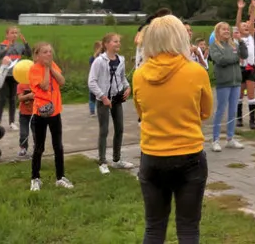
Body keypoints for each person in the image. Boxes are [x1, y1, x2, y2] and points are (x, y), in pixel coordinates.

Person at [133, 14, 213, 244]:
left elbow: (141, 113)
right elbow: (205, 112)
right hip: (189, 156)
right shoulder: (196, 72)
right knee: (188, 228)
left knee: (154, 227)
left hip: (152, 156)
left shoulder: (139, 76)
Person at [29, 42, 73, 191]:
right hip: (40, 113)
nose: (49, 54)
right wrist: (47, 68)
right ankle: (35, 178)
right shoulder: (34, 69)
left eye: (50, 51)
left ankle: (60, 177)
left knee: (58, 146)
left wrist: (51, 68)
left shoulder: (53, 65)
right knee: (39, 147)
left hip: (55, 112)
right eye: (45, 52)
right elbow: (45, 86)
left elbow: (62, 81)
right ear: (37, 55)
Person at [88, 33, 134, 174]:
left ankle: (117, 160)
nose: (118, 44)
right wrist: (102, 96)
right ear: (106, 44)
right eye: (115, 41)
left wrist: (127, 87)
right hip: (103, 100)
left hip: (117, 98)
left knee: (119, 128)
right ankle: (102, 161)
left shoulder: (121, 60)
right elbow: (91, 82)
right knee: (104, 130)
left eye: (119, 41)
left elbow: (122, 78)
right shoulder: (99, 61)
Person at [209, 22, 247, 152]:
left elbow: (244, 55)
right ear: (217, 32)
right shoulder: (214, 46)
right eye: (223, 29)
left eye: (228, 29)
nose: (226, 31)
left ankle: (230, 138)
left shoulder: (234, 44)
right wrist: (235, 58)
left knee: (233, 111)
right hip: (223, 83)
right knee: (220, 110)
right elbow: (220, 60)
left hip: (236, 82)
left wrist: (241, 42)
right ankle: (215, 140)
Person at [0, 26, 32, 130]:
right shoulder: (2, 45)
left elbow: (29, 54)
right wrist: (6, 48)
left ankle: (12, 122)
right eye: (12, 33)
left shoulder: (20, 46)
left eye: (16, 33)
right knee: (2, 99)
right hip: (4, 76)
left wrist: (26, 43)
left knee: (12, 99)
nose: (14, 35)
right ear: (7, 35)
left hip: (15, 75)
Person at [235, 0, 255, 129]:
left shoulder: (250, 36)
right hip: (240, 69)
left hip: (250, 68)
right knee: (239, 96)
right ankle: (239, 118)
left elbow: (251, 21)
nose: (245, 26)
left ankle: (252, 120)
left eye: (247, 25)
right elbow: (238, 22)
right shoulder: (238, 38)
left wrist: (253, 8)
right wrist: (240, 9)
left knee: (251, 95)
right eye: (243, 25)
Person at [17, 76, 35, 158]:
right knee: (23, 133)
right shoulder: (21, 85)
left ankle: (37, 148)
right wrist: (29, 96)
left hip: (35, 113)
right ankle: (23, 148)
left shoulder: (37, 84)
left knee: (36, 133)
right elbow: (20, 98)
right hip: (23, 114)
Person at [88, 41, 102, 116]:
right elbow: (92, 65)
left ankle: (106, 109)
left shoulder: (103, 57)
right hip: (94, 79)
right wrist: (96, 55)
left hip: (102, 79)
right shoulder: (92, 58)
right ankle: (92, 110)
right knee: (92, 95)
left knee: (104, 94)